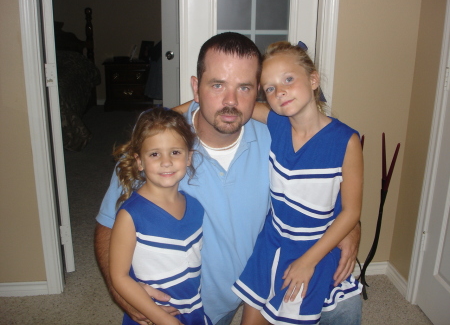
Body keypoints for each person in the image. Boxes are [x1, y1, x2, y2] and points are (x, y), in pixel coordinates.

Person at [95, 32, 361, 325]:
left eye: (244, 87)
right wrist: (121, 292)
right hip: (183, 307)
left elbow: (322, 178)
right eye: (218, 85)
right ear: (196, 88)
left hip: (262, 285)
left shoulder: (278, 136)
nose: (231, 101)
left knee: (345, 306)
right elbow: (109, 225)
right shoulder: (157, 148)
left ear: (258, 92)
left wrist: (351, 227)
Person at [232, 41, 363, 325]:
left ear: (313, 79)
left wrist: (308, 261)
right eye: (269, 88)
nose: (279, 92)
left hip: (314, 248)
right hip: (272, 243)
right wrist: (176, 111)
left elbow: (351, 212)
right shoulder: (276, 122)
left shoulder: (346, 142)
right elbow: (231, 104)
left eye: (288, 79)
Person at [109, 107, 212, 325]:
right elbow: (119, 276)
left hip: (191, 307)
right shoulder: (130, 215)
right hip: (154, 315)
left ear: (188, 157)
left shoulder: (195, 207)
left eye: (175, 152)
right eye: (155, 154)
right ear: (139, 161)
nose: (166, 162)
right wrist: (164, 320)